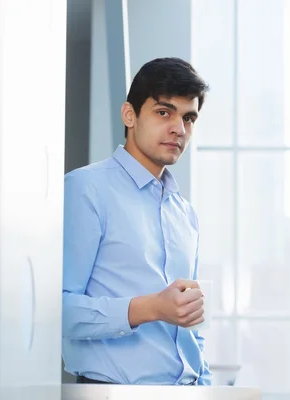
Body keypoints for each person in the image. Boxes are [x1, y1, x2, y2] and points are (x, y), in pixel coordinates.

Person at [61, 57, 212, 385]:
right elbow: (56, 312)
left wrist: (206, 386)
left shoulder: (184, 213)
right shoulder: (86, 190)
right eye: (164, 112)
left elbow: (193, 328)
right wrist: (153, 308)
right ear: (130, 115)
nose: (178, 128)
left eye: (189, 117)